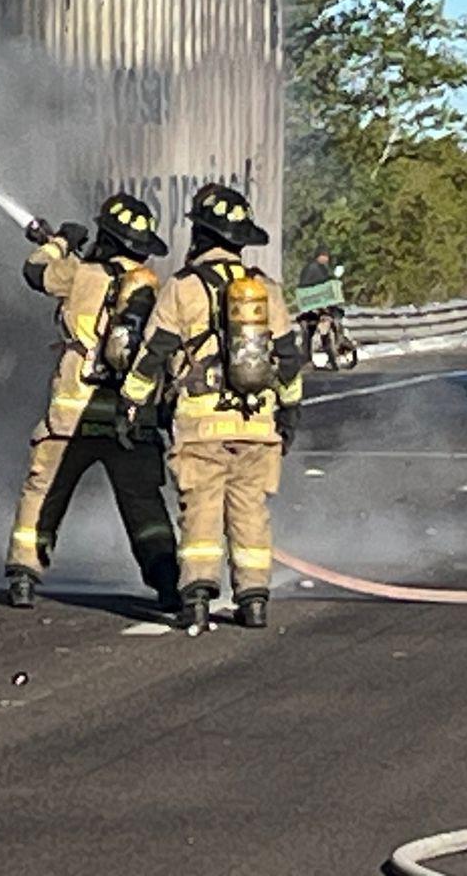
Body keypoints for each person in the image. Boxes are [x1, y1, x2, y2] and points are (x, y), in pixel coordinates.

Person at [117, 184, 303, 635]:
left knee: (200, 510)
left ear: (199, 235)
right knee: (249, 511)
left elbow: (153, 354)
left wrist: (133, 403)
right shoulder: (265, 291)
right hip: (257, 424)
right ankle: (253, 600)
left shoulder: (183, 289)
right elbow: (290, 360)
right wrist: (289, 415)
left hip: (201, 424)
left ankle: (197, 597)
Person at [6, 193, 181, 612]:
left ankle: (24, 578)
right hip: (130, 419)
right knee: (146, 508)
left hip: (72, 418)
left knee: (44, 493)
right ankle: (167, 582)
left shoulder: (78, 274)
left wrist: (62, 240)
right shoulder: (151, 286)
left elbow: (35, 271)